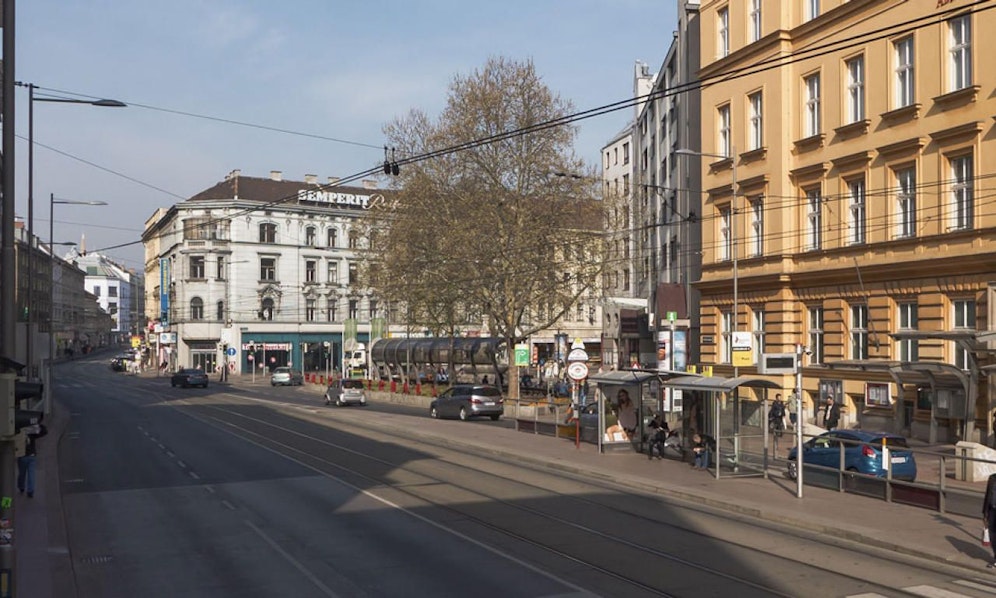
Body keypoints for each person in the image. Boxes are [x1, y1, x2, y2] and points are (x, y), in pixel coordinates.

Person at [17, 417, 48, 498]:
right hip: (32, 455)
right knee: (32, 474)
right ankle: (30, 491)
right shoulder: (31, 431)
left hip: (22, 456)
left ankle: (21, 487)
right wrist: (38, 424)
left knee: (22, 474)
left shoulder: (19, 433)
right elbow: (44, 431)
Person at [984, 473, 996, 567]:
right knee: (992, 535)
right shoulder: (992, 478)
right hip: (992, 510)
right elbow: (987, 495)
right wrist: (985, 513)